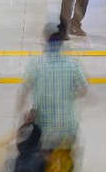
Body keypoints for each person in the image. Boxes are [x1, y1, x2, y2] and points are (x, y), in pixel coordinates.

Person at [19, 23, 88, 151]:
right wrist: (69, 95)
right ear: (62, 42)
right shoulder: (73, 63)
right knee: (66, 166)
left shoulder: (35, 63)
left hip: (43, 129)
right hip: (68, 127)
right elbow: (84, 90)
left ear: (45, 39)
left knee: (43, 165)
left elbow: (23, 94)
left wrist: (26, 111)